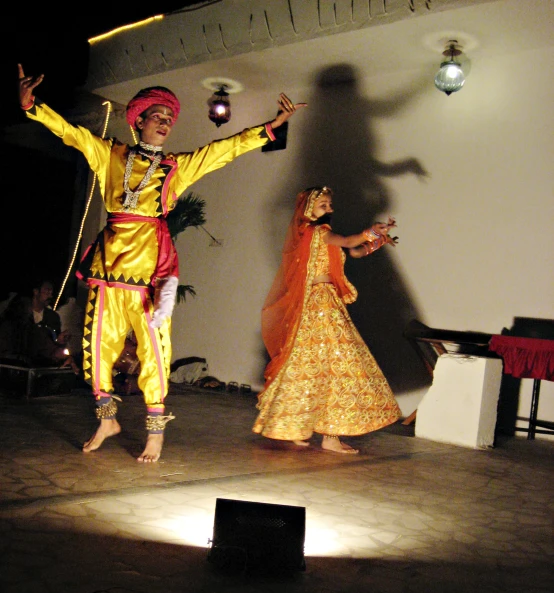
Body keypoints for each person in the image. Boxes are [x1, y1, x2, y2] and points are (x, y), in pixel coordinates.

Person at [18, 62, 306, 462]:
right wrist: (33, 106)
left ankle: (155, 432)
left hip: (149, 276)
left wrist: (270, 127)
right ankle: (107, 418)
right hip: (107, 270)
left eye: (170, 118)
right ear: (140, 120)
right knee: (96, 348)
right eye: (159, 115)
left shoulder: (176, 167)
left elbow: (222, 151)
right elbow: (73, 135)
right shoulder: (112, 155)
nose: (166, 122)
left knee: (154, 352)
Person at [252, 186, 401, 453]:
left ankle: (296, 428)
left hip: (322, 301)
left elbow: (354, 252)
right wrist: (372, 231)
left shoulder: (319, 235)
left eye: (330, 205)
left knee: (307, 364)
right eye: (324, 205)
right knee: (341, 362)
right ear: (310, 208)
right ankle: (328, 436)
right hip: (321, 304)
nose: (329, 209)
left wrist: (377, 242)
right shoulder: (316, 232)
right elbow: (348, 242)